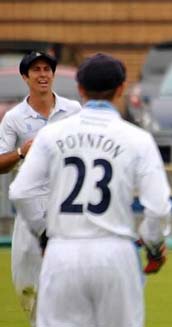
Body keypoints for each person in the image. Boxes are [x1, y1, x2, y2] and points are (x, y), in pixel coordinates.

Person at [9, 53, 172, 327]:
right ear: (121, 89)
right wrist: (154, 245)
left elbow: (21, 192)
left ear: (80, 89)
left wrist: (45, 235)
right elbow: (158, 207)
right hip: (115, 252)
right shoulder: (138, 138)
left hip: (63, 251)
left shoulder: (51, 135)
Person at [0, 51, 81, 326]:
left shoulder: (73, 111)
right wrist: (23, 151)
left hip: (67, 204)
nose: (43, 74)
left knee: (68, 281)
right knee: (27, 283)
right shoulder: (15, 118)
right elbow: (0, 163)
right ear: (26, 77)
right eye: (36, 70)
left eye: (47, 69)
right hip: (31, 204)